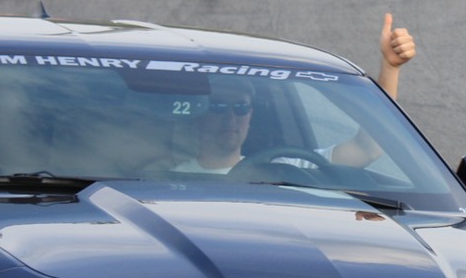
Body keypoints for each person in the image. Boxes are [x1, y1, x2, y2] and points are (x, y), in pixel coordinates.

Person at [169, 14, 417, 176]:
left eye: (241, 107)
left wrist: (390, 67)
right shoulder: (171, 175)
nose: (231, 117)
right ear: (200, 114)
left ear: (250, 114)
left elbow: (368, 147)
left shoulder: (287, 169)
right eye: (219, 106)